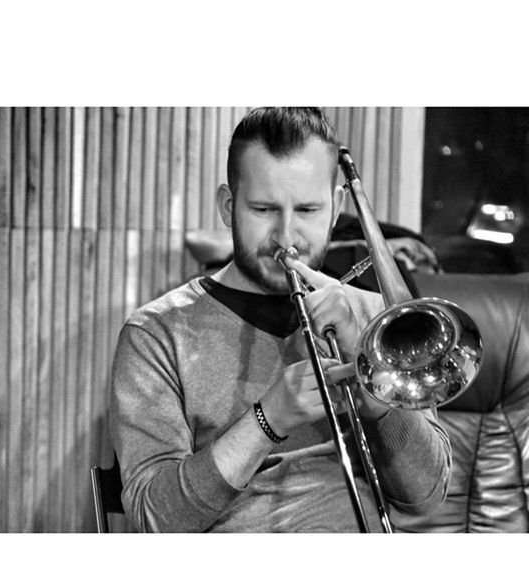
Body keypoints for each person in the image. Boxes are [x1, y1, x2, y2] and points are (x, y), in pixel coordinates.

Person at [109, 107, 451, 532]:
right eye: (264, 209)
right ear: (228, 206)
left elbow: (426, 498)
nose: (286, 236)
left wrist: (374, 381)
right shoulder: (156, 334)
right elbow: (154, 521)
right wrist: (267, 419)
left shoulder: (374, 317)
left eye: (307, 209)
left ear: (336, 207)